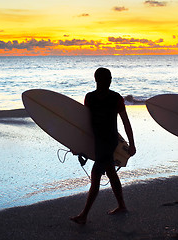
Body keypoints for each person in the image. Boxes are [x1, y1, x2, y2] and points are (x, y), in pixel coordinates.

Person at [70, 67, 136, 224]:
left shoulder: (116, 98)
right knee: (111, 173)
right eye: (106, 78)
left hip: (110, 141)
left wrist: (132, 144)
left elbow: (126, 122)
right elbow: (84, 123)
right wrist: (77, 145)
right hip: (97, 142)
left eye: (110, 78)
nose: (109, 81)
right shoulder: (90, 98)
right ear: (97, 80)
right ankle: (122, 206)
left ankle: (84, 215)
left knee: (95, 175)